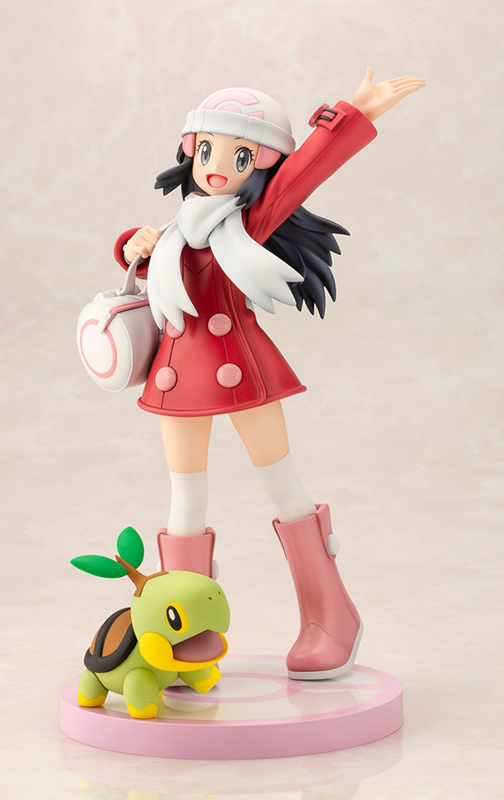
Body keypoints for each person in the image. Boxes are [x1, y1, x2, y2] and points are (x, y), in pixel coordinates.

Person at [113, 69, 425, 679]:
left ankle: (331, 617)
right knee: (184, 498)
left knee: (283, 485)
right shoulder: (179, 229)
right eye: (206, 150)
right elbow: (154, 269)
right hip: (176, 375)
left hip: (240, 370)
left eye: (238, 156)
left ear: (259, 166)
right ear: (190, 150)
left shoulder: (250, 222)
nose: (215, 168)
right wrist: (134, 245)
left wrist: (355, 112)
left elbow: (304, 171)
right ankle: (185, 631)